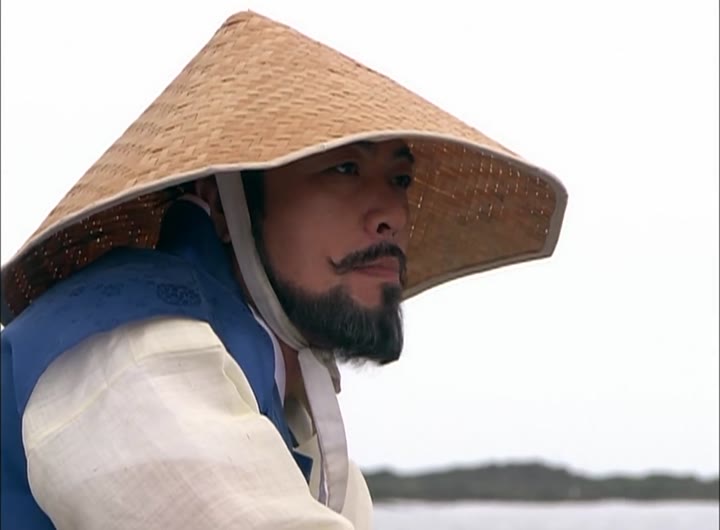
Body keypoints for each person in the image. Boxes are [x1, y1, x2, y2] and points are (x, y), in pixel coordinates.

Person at [0, 10, 568, 530]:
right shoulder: (137, 352)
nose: (392, 215)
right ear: (222, 204)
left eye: (399, 180)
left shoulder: (291, 407)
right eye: (345, 169)